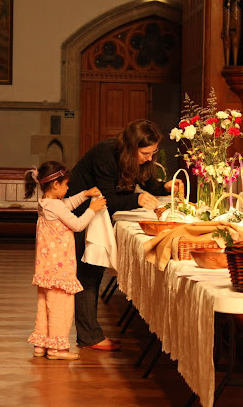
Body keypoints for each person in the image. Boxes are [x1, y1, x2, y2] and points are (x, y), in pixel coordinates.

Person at [67, 119, 183, 351]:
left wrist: (165, 187)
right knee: (88, 272)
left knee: (93, 271)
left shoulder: (136, 158)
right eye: (145, 153)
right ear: (131, 147)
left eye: (153, 153)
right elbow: (108, 199)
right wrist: (136, 199)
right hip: (78, 212)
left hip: (94, 213)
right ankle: (89, 337)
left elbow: (149, 184)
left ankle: (89, 335)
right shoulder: (105, 153)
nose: (149, 158)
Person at [25, 161, 107, 360]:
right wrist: (92, 209)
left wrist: (85, 194)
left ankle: (41, 345)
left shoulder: (46, 203)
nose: (68, 188)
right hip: (60, 272)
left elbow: (67, 204)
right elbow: (77, 225)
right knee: (61, 308)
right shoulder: (55, 206)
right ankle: (57, 349)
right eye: (66, 185)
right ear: (56, 185)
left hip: (46, 271)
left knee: (45, 307)